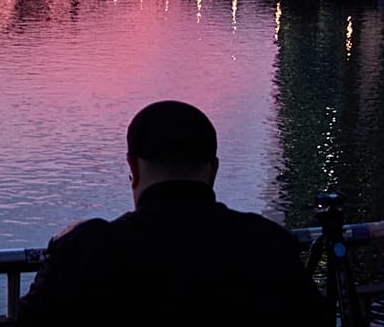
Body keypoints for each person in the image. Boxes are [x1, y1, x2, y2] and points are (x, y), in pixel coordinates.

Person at [17, 100, 327, 324]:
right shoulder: (268, 244)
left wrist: (63, 248)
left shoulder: (90, 249)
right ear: (213, 171)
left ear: (133, 169)